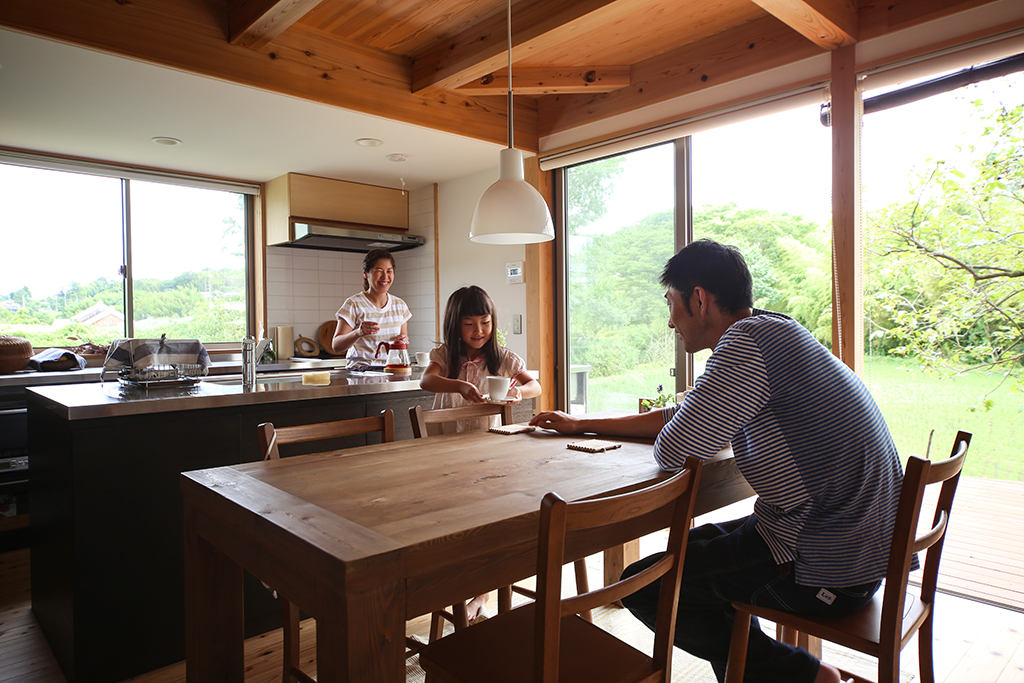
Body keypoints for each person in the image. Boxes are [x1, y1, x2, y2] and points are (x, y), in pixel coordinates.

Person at [529, 239, 904, 683]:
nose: (671, 321)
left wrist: (685, 422)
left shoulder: (745, 347)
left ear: (699, 299)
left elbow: (674, 448)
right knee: (684, 563)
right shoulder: (775, 330)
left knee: (651, 587)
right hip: (848, 545)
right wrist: (583, 425)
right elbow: (683, 419)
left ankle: (807, 677)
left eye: (671, 304)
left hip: (826, 564)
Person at [420, 285, 542, 621]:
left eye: (485, 323)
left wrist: (519, 394)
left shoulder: (502, 358)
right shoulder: (445, 356)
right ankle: (457, 588)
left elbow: (535, 385)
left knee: (487, 518)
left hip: (489, 448)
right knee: (452, 519)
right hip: (446, 450)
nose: (479, 332)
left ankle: (482, 593)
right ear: (454, 325)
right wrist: (457, 384)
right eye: (469, 324)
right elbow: (426, 382)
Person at [331, 249, 410, 368]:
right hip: (360, 372)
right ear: (365, 273)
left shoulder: (400, 305)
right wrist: (358, 333)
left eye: (389, 271)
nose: (385, 276)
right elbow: (336, 345)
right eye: (379, 271)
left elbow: (403, 339)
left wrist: (404, 339)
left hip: (391, 371)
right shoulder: (353, 304)